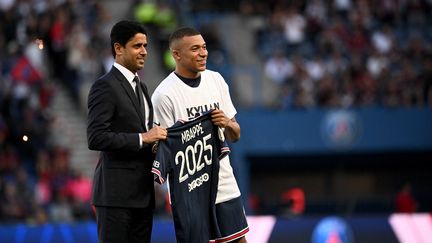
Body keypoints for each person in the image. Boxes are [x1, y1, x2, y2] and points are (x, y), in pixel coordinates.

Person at [152, 26, 249, 243]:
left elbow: (235, 135)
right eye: (195, 49)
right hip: (191, 191)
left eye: (204, 47)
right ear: (176, 54)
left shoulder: (216, 80)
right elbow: (165, 148)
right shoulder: (164, 95)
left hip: (224, 182)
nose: (203, 53)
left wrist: (227, 123)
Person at [87, 20, 167, 243]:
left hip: (142, 195)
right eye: (137, 46)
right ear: (118, 48)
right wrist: (144, 138)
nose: (144, 51)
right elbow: (96, 137)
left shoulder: (141, 86)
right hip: (115, 197)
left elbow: (145, 137)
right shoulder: (104, 86)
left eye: (146, 46)